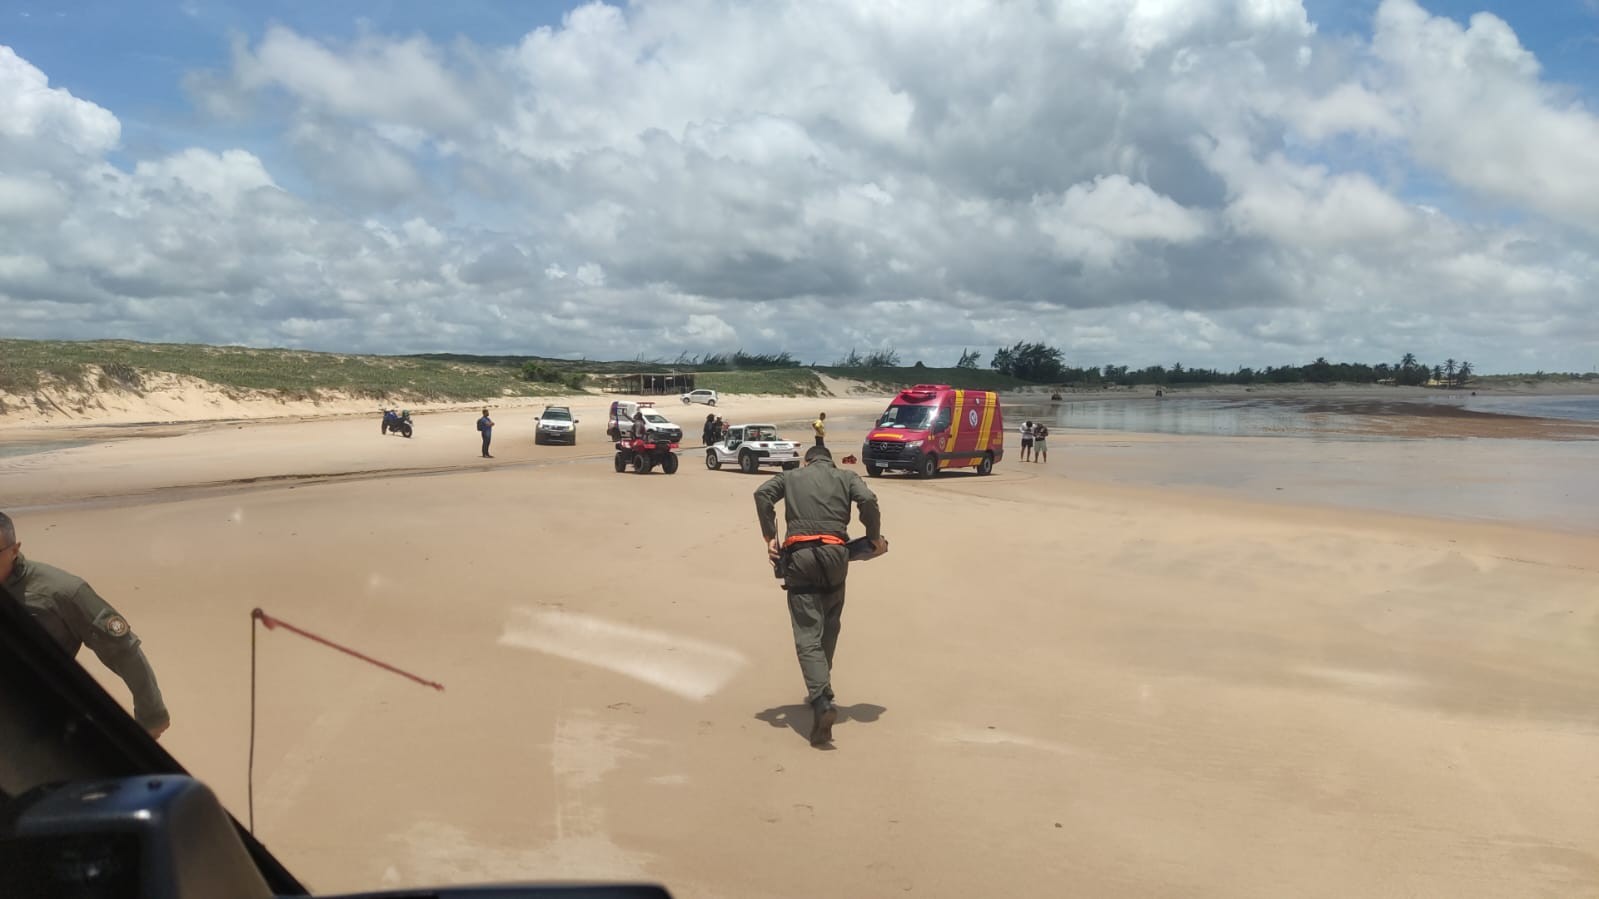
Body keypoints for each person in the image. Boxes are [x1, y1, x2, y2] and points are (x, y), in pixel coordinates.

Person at [754, 445, 883, 746]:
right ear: (830, 461)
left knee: (807, 632)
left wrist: (769, 537)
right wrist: (874, 536)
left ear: (807, 460)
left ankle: (821, 700)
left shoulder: (791, 476)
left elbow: (762, 495)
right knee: (831, 622)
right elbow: (868, 500)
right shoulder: (846, 476)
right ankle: (822, 685)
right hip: (837, 555)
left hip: (800, 557)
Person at [0, 511, 170, 738]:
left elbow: (124, 652)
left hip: (37, 717)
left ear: (14, 550)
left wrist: (152, 717)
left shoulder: (61, 592)